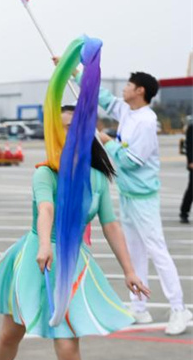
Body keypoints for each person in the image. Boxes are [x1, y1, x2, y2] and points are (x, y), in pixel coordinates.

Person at [0, 105, 149, 360]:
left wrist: (129, 270)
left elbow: (111, 225)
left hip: (71, 264)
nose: (66, 132)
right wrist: (44, 245)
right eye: (61, 126)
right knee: (10, 333)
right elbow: (46, 209)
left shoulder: (97, 179)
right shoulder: (45, 173)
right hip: (35, 258)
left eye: (73, 126)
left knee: (67, 346)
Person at [73, 66, 192, 335]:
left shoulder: (147, 122)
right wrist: (76, 74)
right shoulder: (126, 110)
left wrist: (107, 141)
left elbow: (132, 161)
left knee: (157, 251)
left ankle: (179, 308)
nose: (124, 89)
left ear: (140, 91)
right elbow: (102, 97)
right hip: (128, 195)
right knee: (135, 251)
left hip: (144, 198)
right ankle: (139, 307)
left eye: (128, 85)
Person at [180, 116, 192, 224]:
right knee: (191, 190)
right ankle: (184, 212)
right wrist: (190, 161)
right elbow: (189, 146)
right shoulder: (191, 128)